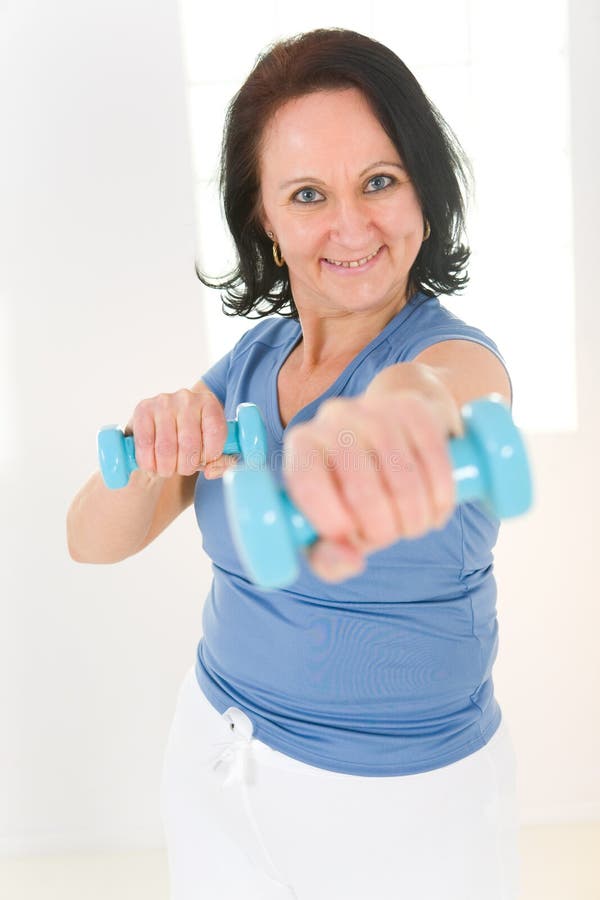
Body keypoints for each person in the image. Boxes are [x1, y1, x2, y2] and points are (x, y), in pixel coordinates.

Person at [66, 28, 521, 900]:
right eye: (309, 194)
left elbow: (438, 397)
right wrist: (154, 438)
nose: (352, 225)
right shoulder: (247, 367)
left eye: (379, 181)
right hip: (214, 759)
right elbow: (91, 539)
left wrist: (365, 436)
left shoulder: (456, 357)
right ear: (265, 222)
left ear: (424, 192)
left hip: (409, 808)